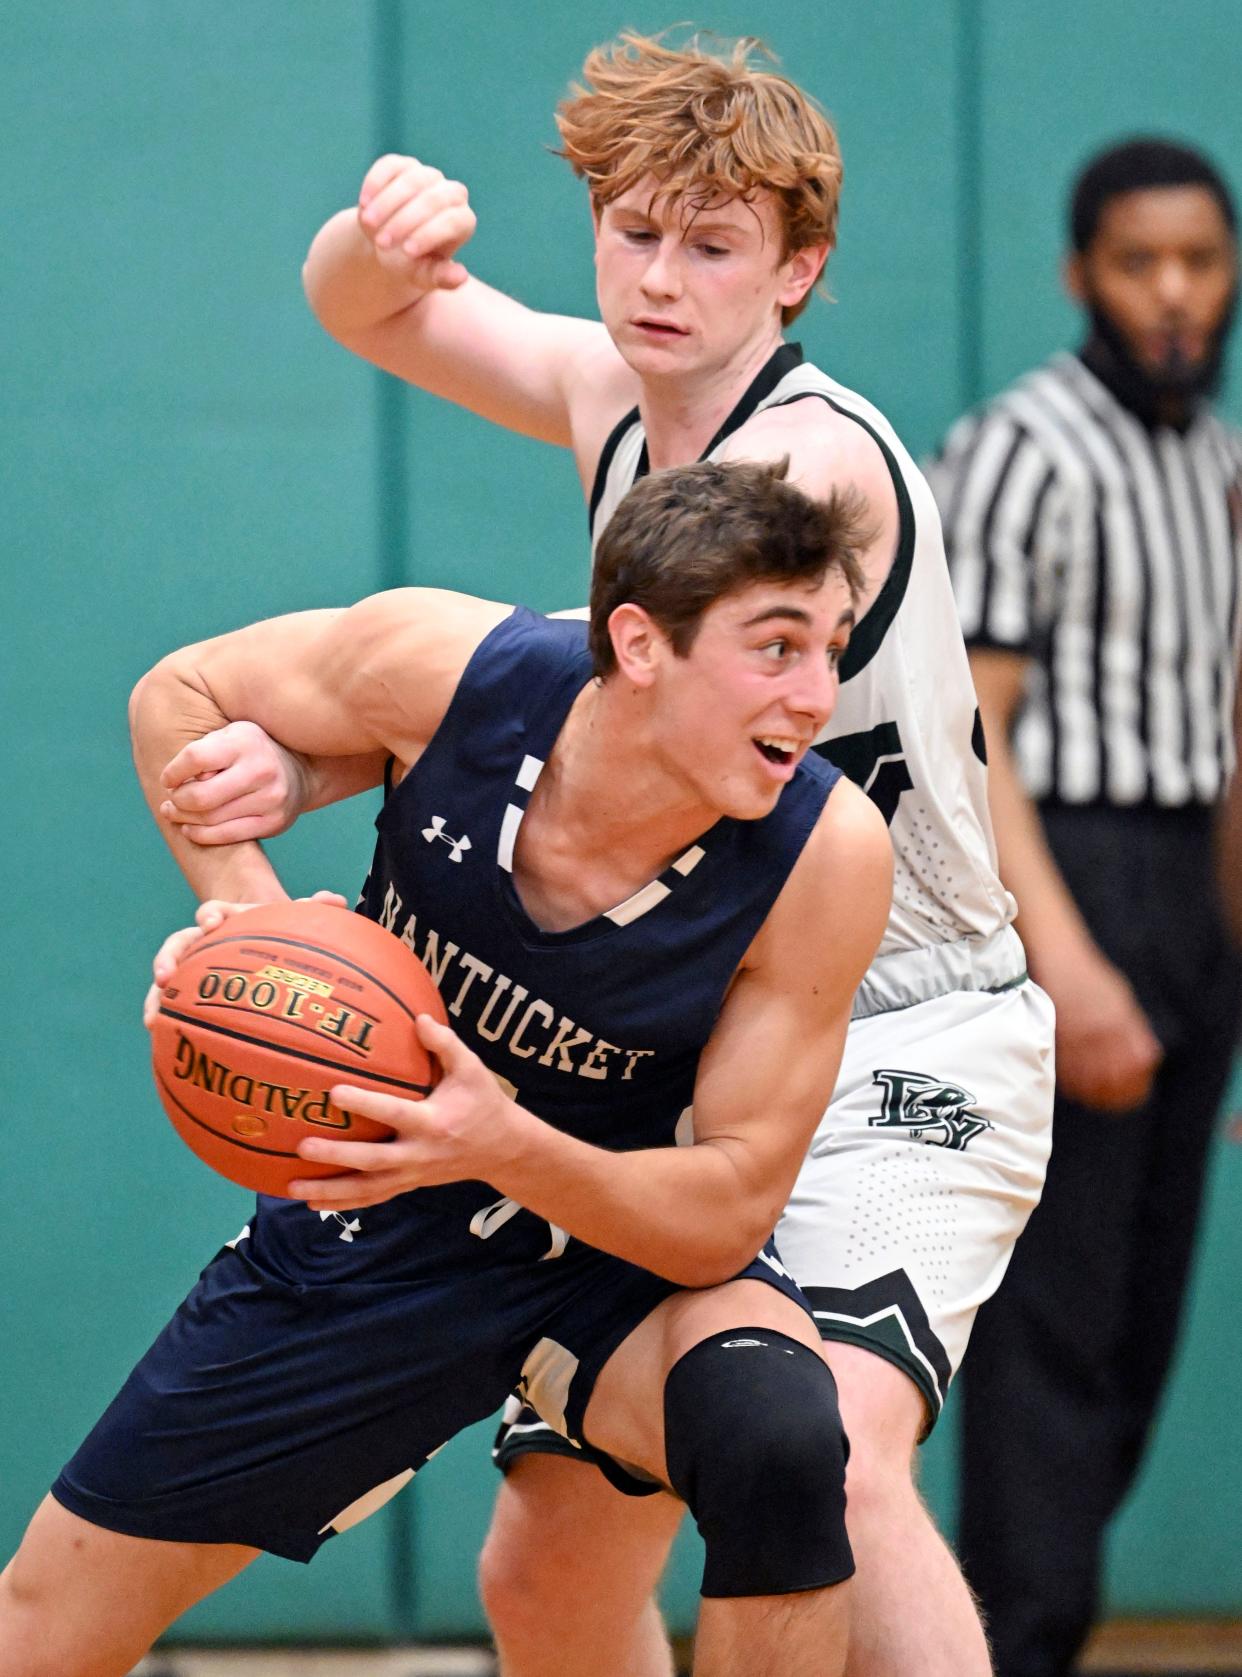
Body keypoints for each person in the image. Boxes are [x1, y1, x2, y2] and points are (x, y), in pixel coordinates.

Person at [161, 32, 1055, 1677]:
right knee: (551, 1567)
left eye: (710, 246)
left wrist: (312, 742)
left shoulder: (813, 464)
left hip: (908, 1035)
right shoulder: (613, 390)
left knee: (833, 1459)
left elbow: (596, 699)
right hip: (702, 1032)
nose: (661, 278)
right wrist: (380, 243)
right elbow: (366, 311)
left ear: (796, 270)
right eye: (634, 232)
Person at [0, 460, 894, 1677]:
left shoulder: (825, 855)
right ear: (640, 643)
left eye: (833, 650)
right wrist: (260, 940)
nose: (817, 695)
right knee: (39, 1635)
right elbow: (184, 692)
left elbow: (725, 1216)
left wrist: (502, 1141)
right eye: (777, 648)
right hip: (382, 1231)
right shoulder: (448, 666)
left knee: (780, 1439)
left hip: (618, 1248)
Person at [927, 136, 1242, 1677]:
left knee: (1134, 1334)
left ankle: (1008, 1632)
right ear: (1079, 275)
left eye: (1201, 259)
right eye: (1140, 262)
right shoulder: (1019, 450)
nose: (1175, 294)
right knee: (1047, 1336)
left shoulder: (1214, 462)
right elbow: (964, 737)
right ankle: (1002, 1647)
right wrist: (1068, 967)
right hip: (1065, 879)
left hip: (1192, 893)